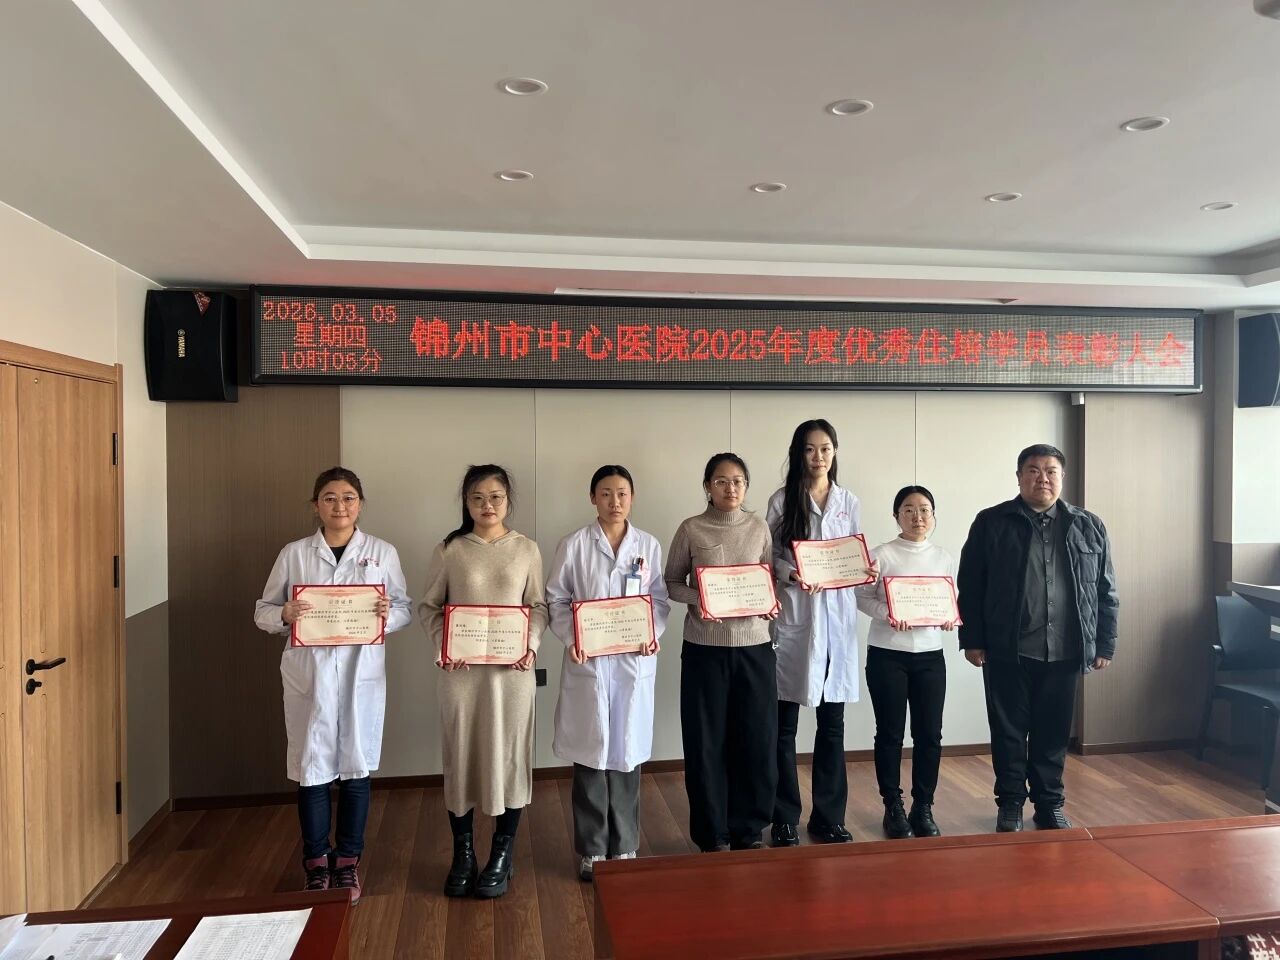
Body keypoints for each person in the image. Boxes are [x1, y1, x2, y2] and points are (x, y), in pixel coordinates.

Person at [254, 466, 412, 903]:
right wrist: (283, 614)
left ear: (360, 504)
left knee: (356, 770)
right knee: (313, 771)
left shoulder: (381, 552)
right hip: (311, 676)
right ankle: (315, 864)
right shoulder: (294, 554)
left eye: (347, 498)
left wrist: (387, 614)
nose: (339, 506)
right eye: (329, 498)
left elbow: (404, 608)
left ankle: (347, 863)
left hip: (361, 675)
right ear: (315, 506)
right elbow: (262, 610)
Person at [957, 443, 1119, 833]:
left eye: (1050, 471)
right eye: (1032, 470)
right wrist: (972, 639)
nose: (1042, 478)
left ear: (1062, 477)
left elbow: (1105, 589)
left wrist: (1104, 643)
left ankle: (1049, 804)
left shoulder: (1088, 525)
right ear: (1019, 477)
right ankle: (1011, 804)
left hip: (1066, 649)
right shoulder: (991, 522)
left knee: (1053, 733)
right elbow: (971, 585)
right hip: (1007, 648)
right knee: (1008, 732)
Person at [419, 464, 548, 898]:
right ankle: (464, 853)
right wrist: (444, 644)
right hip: (462, 675)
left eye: (495, 497)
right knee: (462, 756)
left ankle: (501, 854)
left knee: (509, 757)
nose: (487, 505)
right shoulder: (450, 549)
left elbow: (538, 606)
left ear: (508, 500)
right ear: (466, 502)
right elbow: (429, 607)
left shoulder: (527, 549)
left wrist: (530, 644)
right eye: (477, 498)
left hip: (511, 675)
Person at [546, 465, 671, 880]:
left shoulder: (648, 545)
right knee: (591, 755)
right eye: (605, 493)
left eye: (622, 493)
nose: (614, 502)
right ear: (592, 498)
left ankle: (626, 845)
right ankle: (593, 849)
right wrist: (572, 638)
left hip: (633, 663)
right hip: (590, 664)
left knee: (626, 754)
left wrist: (651, 633)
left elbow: (658, 601)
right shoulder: (574, 545)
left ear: (632, 497)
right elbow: (557, 600)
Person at [664, 452, 778, 852]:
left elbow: (767, 580)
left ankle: (749, 829)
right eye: (721, 481)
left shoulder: (759, 527)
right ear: (707, 487)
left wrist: (769, 602)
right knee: (706, 741)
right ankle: (712, 832)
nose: (731, 488)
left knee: (756, 739)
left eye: (738, 481)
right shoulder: (691, 528)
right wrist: (700, 599)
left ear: (746, 487)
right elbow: (671, 582)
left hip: (755, 648)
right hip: (705, 649)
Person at [766, 419, 872, 846]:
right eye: (809, 449)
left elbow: (853, 554)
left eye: (825, 448)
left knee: (832, 726)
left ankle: (828, 817)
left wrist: (864, 569)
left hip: (836, 624)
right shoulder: (781, 501)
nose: (818, 457)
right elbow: (769, 555)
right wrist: (790, 573)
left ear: (835, 452)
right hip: (797, 618)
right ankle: (783, 817)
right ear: (799, 454)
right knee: (784, 728)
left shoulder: (849, 501)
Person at [856, 485, 954, 839]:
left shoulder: (943, 557)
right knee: (890, 733)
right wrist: (888, 613)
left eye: (924, 509)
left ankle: (923, 806)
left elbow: (951, 598)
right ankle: (893, 806)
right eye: (909, 509)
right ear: (896, 515)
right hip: (887, 654)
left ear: (933, 515)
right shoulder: (881, 555)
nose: (917, 517)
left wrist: (949, 617)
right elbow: (860, 596)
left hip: (930, 656)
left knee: (930, 735)